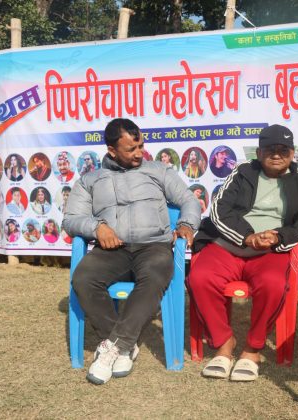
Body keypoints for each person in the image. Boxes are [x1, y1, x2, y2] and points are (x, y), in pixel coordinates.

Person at [63, 118, 200, 385]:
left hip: (153, 247)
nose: (139, 153)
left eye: (141, 146)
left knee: (156, 274)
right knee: (83, 278)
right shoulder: (90, 180)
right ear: (112, 150)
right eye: (131, 149)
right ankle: (124, 346)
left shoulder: (158, 170)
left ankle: (113, 348)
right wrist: (97, 227)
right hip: (112, 249)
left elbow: (188, 200)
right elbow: (71, 219)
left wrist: (186, 224)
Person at [188, 124, 298, 382]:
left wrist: (278, 237)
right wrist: (247, 237)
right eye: (270, 149)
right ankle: (224, 342)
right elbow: (219, 211)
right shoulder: (243, 172)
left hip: (270, 250)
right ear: (259, 152)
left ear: (292, 154)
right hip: (230, 244)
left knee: (273, 284)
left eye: (284, 150)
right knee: (199, 278)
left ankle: (252, 349)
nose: (277, 155)